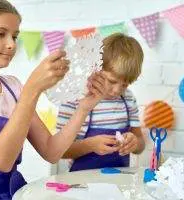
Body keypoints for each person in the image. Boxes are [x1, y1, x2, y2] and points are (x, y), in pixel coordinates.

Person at [0, 0, 106, 199]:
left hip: (8, 193)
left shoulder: (13, 87)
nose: (11, 44)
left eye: (14, 36)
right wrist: (32, 90)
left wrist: (84, 108)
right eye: (1, 34)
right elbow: (0, 159)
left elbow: (51, 151)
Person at [57, 33, 146, 171]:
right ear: (96, 67)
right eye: (112, 81)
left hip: (118, 181)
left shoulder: (128, 99)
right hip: (81, 182)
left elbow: (140, 144)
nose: (117, 90)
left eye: (125, 85)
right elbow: (59, 151)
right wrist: (90, 145)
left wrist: (135, 142)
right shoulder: (74, 99)